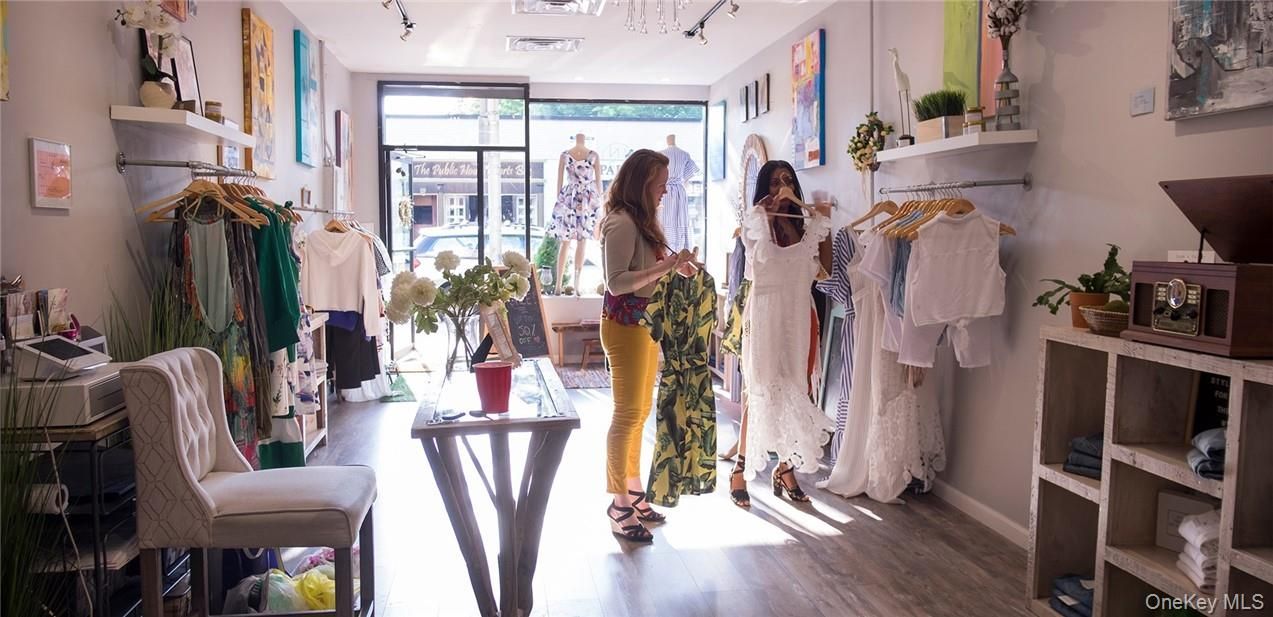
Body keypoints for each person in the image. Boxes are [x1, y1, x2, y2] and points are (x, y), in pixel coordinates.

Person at [599, 149, 697, 543]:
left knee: (638, 414)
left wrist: (679, 267)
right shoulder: (621, 222)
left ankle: (634, 491)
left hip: (644, 325)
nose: (664, 193)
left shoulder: (641, 221)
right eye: (660, 185)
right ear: (642, 183)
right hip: (625, 327)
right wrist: (665, 267)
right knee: (626, 416)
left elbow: (650, 274)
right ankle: (619, 503)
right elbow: (616, 283)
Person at [730, 160, 833, 509]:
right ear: (765, 187)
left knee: (797, 390)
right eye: (774, 182)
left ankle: (785, 469)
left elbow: (824, 273)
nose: (782, 188)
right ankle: (740, 471)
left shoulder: (806, 229)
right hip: (765, 318)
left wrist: (823, 224)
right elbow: (750, 271)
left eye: (788, 180)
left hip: (800, 317)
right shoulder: (756, 225)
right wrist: (765, 214)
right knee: (758, 391)